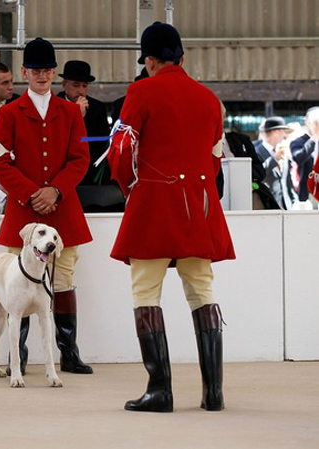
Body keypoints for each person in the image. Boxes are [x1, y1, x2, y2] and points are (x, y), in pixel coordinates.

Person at [108, 22, 235, 413]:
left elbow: (122, 150)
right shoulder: (209, 99)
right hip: (199, 207)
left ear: (149, 60)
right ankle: (213, 392)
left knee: (146, 291)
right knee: (203, 291)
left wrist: (133, 190)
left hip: (154, 207)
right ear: (182, 57)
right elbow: (215, 160)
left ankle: (160, 390)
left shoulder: (141, 90)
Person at [0, 37, 93, 375]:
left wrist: (55, 191)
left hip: (62, 208)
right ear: (25, 72)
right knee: (16, 282)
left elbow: (81, 159)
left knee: (62, 279)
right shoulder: (8, 113)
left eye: (48, 69)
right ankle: (14, 354)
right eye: (36, 70)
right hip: (23, 210)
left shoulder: (69, 112)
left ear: (54, 72)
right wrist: (33, 193)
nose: (42, 75)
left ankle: (69, 352)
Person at [57, 60, 111, 187]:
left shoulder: (97, 108)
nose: (81, 91)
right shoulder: (54, 106)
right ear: (64, 85)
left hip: (90, 171)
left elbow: (101, 143)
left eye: (84, 86)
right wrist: (77, 116)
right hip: (60, 171)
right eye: (76, 85)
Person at [253, 116, 297, 210]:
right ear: (275, 132)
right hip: (267, 206)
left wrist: (294, 200)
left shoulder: (282, 151)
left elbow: (287, 181)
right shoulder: (256, 152)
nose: (285, 135)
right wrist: (274, 159)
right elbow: (257, 174)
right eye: (283, 131)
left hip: (286, 206)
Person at [291, 107, 319, 208]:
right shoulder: (299, 142)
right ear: (308, 123)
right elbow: (298, 158)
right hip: (308, 195)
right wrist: (314, 138)